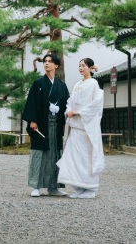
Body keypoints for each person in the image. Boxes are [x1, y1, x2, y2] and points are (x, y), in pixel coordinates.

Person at [22, 52, 70, 197]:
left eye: (50, 61)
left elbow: (67, 104)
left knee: (55, 154)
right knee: (38, 155)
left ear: (56, 65)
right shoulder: (38, 83)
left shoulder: (61, 85)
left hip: (55, 126)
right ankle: (36, 186)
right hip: (41, 124)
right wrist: (33, 120)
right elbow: (32, 103)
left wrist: (65, 122)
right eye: (45, 61)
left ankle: (53, 186)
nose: (46, 63)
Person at [56, 57, 105, 199]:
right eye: (79, 66)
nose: (81, 68)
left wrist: (78, 112)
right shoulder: (78, 84)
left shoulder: (94, 83)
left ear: (90, 68)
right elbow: (70, 101)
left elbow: (96, 103)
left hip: (86, 128)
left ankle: (90, 189)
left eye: (83, 65)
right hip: (75, 127)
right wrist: (69, 110)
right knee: (74, 157)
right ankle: (78, 187)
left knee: (86, 157)